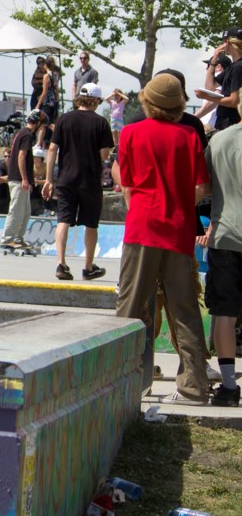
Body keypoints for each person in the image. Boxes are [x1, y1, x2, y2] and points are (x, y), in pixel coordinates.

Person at [116, 73, 211, 406]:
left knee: (130, 307)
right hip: (180, 230)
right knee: (184, 310)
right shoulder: (189, 135)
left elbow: (126, 187)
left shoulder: (130, 133)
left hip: (142, 228)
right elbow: (201, 188)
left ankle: (119, 382)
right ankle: (194, 387)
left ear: (147, 101)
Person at [42, 83, 113, 280]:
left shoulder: (64, 119)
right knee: (91, 224)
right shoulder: (101, 122)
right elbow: (105, 154)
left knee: (63, 220)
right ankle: (89, 267)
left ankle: (61, 263)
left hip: (65, 179)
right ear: (97, 101)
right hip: (89, 180)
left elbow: (52, 149)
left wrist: (49, 179)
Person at [200, 104, 242, 407]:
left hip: (226, 235)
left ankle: (229, 387)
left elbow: (205, 187)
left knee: (225, 314)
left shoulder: (218, 140)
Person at [0, 110, 46, 250]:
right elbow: (21, 156)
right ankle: (7, 239)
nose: (42, 129)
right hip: (19, 179)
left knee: (25, 212)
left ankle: (18, 238)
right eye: (42, 126)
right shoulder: (26, 135)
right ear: (37, 123)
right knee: (16, 210)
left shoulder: (22, 133)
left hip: (21, 179)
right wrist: (25, 179)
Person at [195, 27, 242, 131]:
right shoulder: (233, 66)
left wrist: (207, 96)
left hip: (232, 124)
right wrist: (213, 61)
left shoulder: (238, 67)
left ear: (227, 43)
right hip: (227, 123)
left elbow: (234, 101)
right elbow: (210, 87)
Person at [35, 56, 61, 149]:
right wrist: (57, 101)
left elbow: (45, 91)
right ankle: (39, 143)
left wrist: (38, 104)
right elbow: (57, 90)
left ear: (46, 65)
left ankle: (38, 144)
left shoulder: (46, 76)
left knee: (44, 123)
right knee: (48, 123)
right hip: (54, 102)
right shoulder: (55, 75)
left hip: (47, 102)